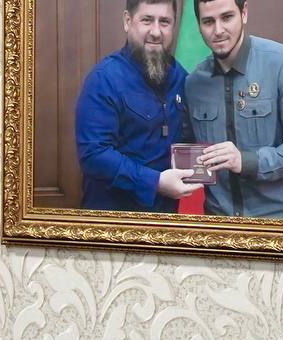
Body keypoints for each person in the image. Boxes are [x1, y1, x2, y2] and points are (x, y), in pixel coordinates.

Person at [183, 0, 283, 218]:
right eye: (208, 21)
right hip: (218, 224)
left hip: (276, 223)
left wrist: (246, 161)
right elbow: (191, 152)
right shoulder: (194, 83)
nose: (218, 30)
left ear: (244, 13)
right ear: (199, 25)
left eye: (227, 17)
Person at [75, 0, 202, 211]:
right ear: (128, 21)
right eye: (147, 20)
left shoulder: (182, 78)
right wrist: (154, 183)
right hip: (115, 220)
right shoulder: (104, 79)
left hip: (167, 218)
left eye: (164, 22)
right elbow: (93, 155)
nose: (156, 32)